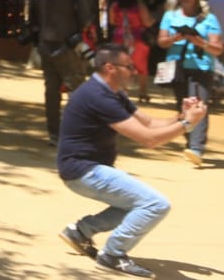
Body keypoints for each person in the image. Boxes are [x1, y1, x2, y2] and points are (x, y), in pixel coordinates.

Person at [55, 44, 208, 278]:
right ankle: (113, 255)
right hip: (84, 171)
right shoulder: (98, 96)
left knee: (135, 204)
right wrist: (188, 124)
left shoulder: (112, 92)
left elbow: (148, 123)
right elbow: (148, 139)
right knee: (156, 204)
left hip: (86, 168)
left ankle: (80, 232)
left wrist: (182, 116)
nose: (134, 71)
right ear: (110, 68)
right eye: (128, 67)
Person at [155, 0, 221, 168]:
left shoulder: (209, 19)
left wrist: (201, 42)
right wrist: (177, 37)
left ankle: (196, 147)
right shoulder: (170, 16)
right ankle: (190, 143)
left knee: (199, 103)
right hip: (177, 66)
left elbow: (217, 48)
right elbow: (161, 41)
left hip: (201, 66)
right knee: (183, 105)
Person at [34, 0, 95, 143]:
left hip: (45, 47)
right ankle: (76, 133)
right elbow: (84, 20)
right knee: (76, 89)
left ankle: (54, 133)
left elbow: (32, 23)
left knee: (51, 91)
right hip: (67, 47)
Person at [106, 0, 155, 104]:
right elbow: (147, 22)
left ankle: (123, 90)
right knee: (141, 66)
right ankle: (143, 91)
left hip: (119, 37)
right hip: (137, 38)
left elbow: (112, 22)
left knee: (120, 65)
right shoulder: (139, 6)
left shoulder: (115, 6)